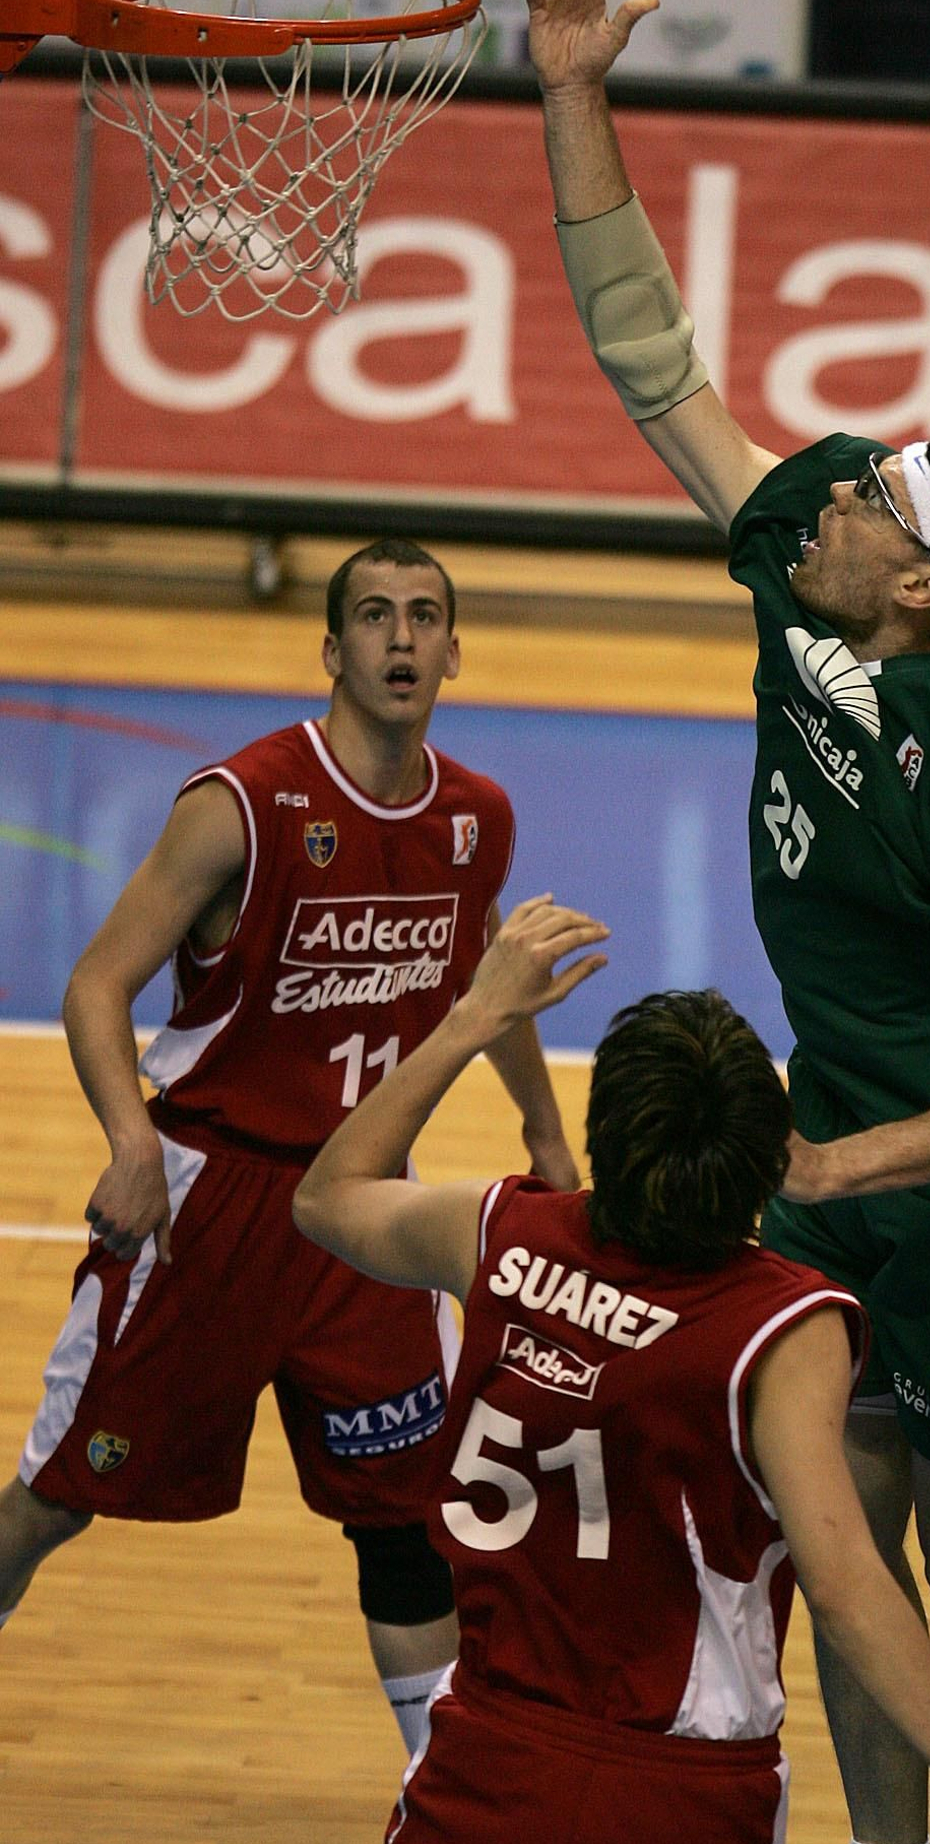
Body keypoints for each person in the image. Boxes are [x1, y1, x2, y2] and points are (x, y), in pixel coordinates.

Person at [525, 0, 930, 1844]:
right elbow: (650, 363)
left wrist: (848, 1167)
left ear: (925, 583)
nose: (835, 482)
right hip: (842, 1137)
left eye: (872, 487)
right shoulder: (805, 576)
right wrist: (576, 101)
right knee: (837, 1527)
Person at [292, 897, 930, 1844]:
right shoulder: (783, 1326)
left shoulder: (498, 1234)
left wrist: (474, 1016)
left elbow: (327, 1195)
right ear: (764, 1165)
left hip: (483, 1765)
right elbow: (846, 1584)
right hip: (677, 1804)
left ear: (608, 1135)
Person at [0, 538, 579, 1751]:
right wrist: (127, 1141)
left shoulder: (478, 817)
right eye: (375, 616)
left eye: (426, 616)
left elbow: (487, 977)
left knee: (409, 1517)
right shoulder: (243, 803)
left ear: (457, 649)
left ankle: (442, 1794)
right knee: (60, 1495)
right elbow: (99, 984)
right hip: (209, 1207)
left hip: (363, 1222)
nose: (403, 638)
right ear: (333, 649)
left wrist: (544, 1133)